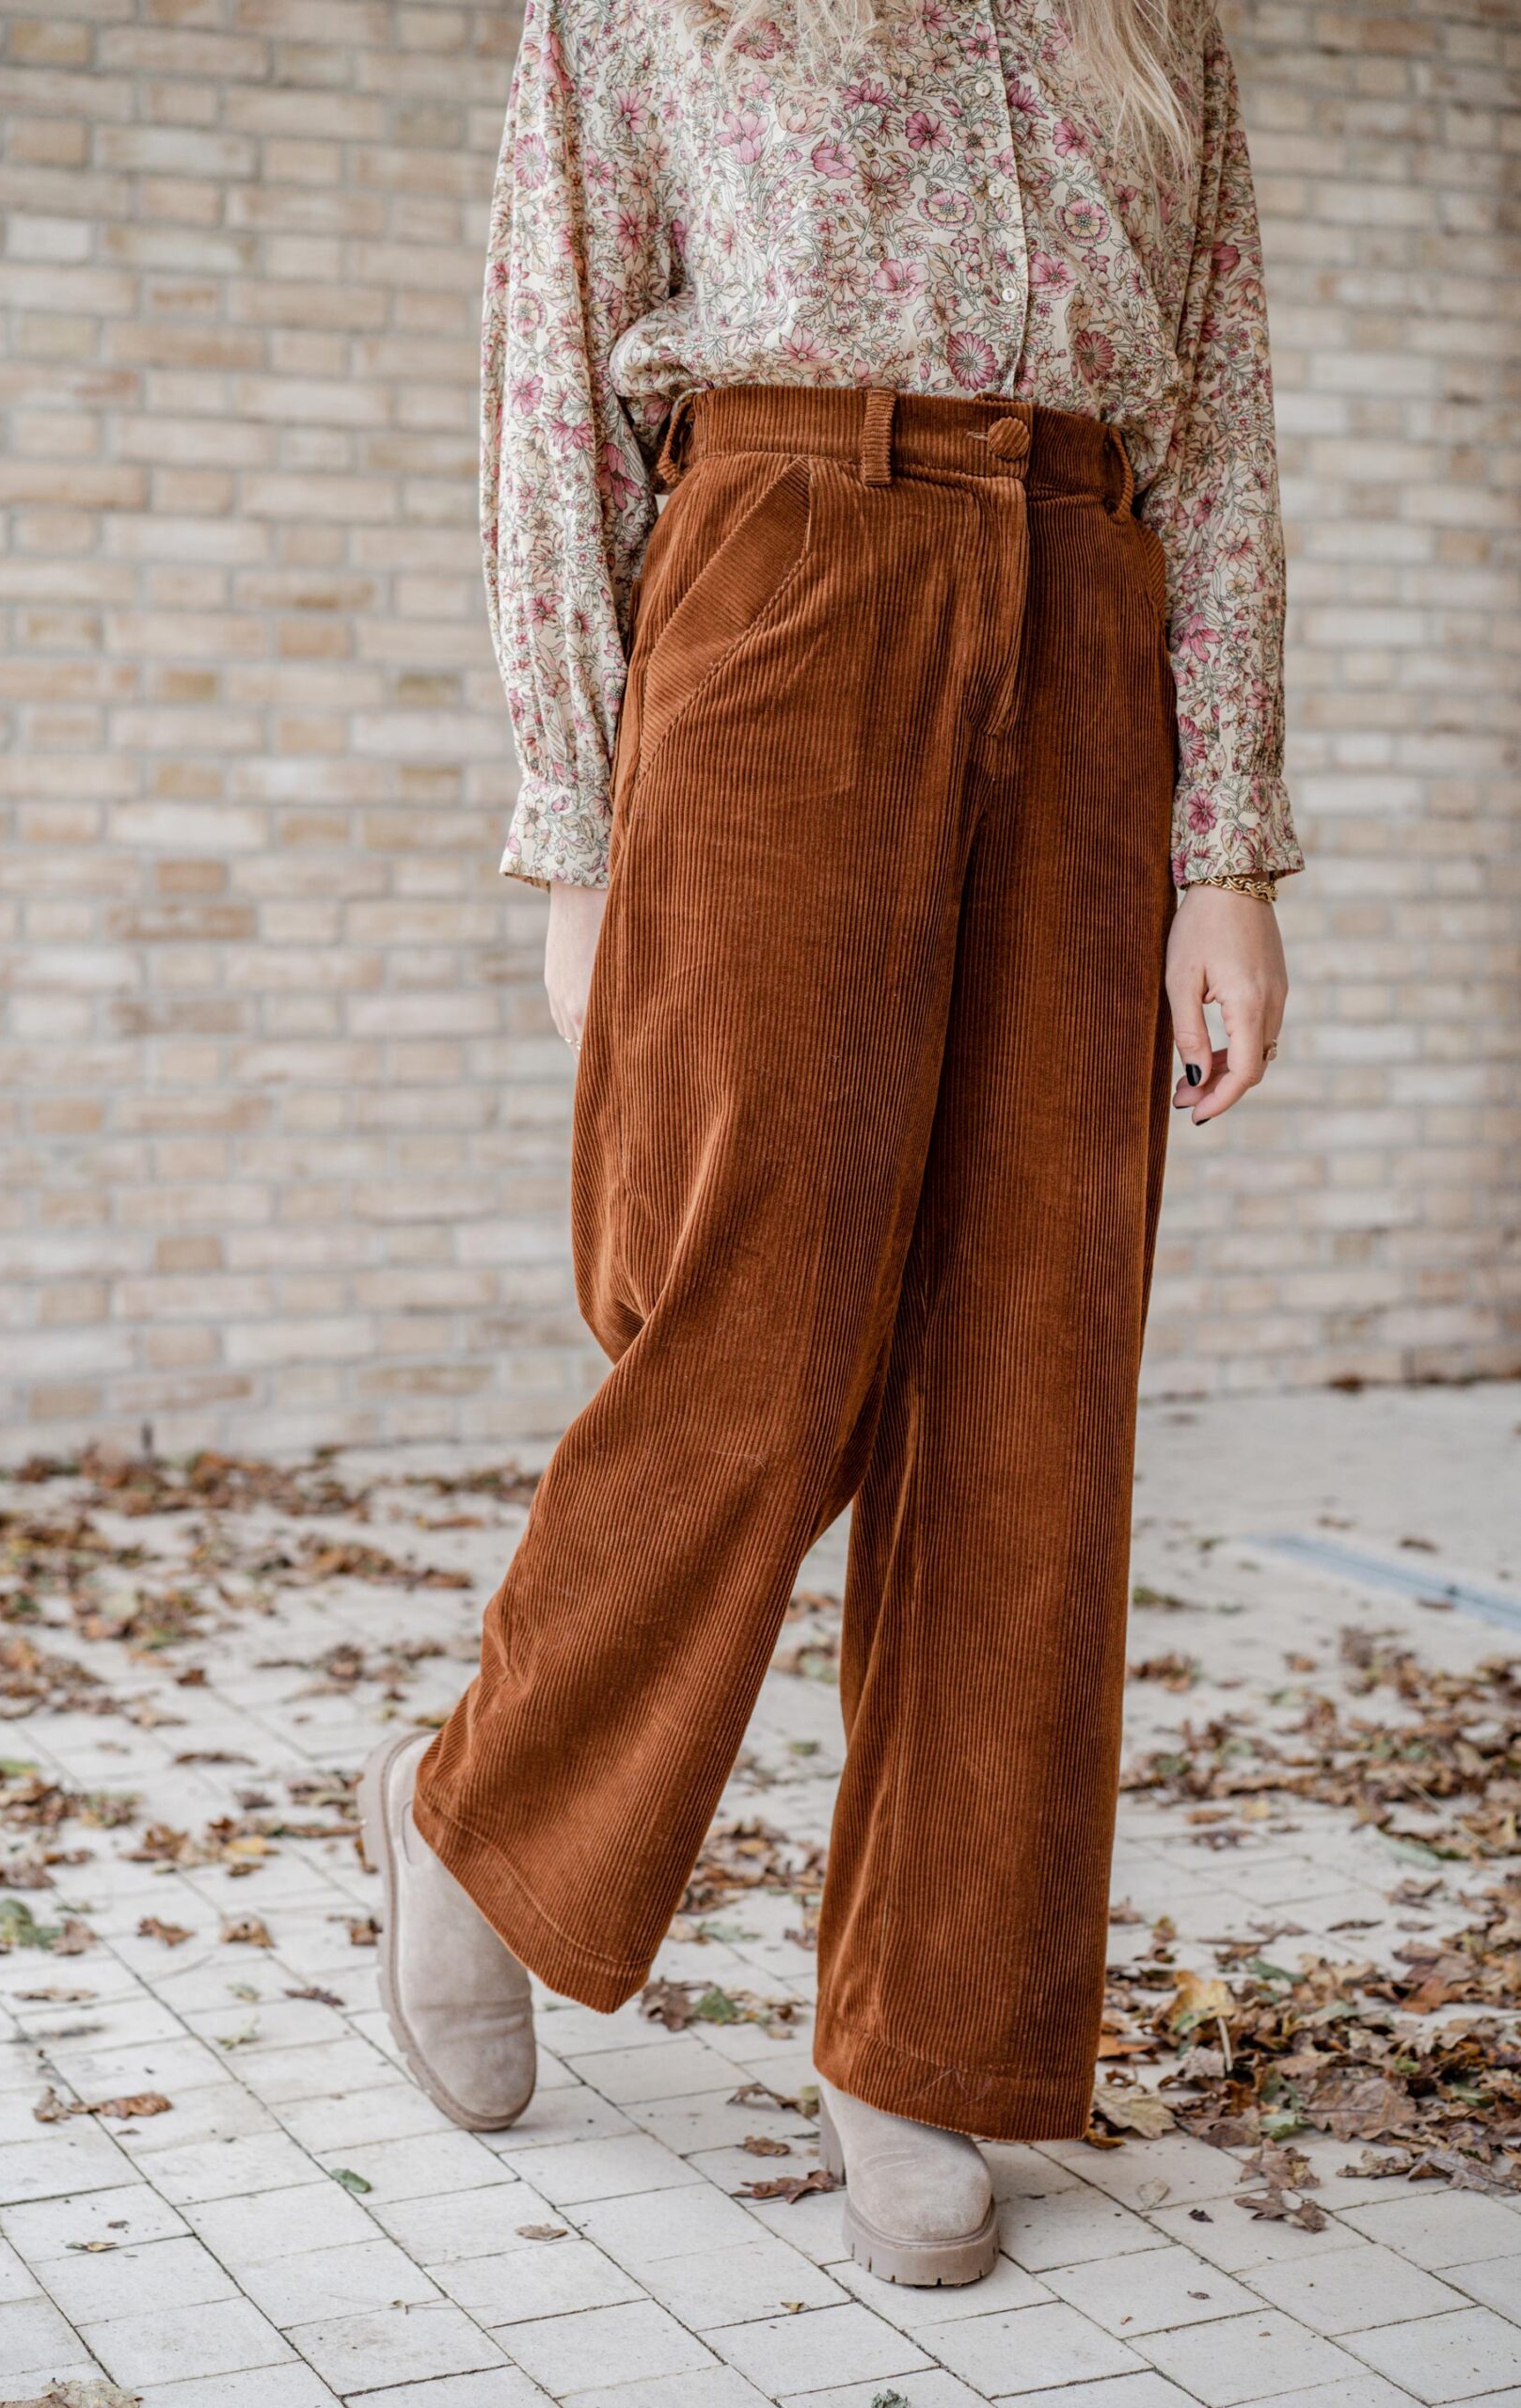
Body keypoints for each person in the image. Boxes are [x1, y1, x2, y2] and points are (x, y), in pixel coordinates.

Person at [361, 0, 1299, 2289]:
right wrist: (575, 824)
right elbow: (550, 379)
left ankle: (928, 2033)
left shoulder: (1157, 17)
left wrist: (1227, 853)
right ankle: (477, 1818)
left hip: (1089, 607)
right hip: (783, 574)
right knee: (750, 1327)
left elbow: (1219, 417)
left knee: (1031, 1370)